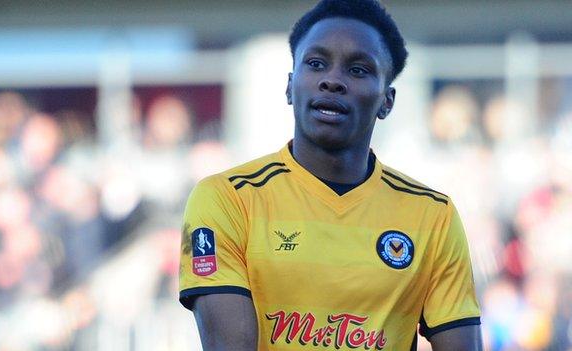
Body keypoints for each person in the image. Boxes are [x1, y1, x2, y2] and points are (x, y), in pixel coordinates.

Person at [178, 0, 483, 350]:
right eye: (316, 63)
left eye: (358, 70)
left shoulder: (434, 216)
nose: (332, 80)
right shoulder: (226, 198)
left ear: (387, 101)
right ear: (291, 86)